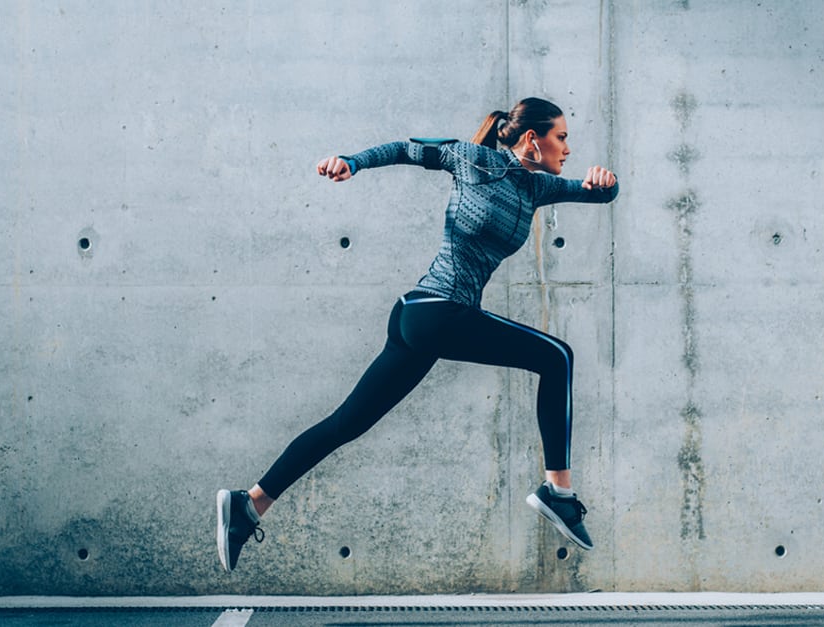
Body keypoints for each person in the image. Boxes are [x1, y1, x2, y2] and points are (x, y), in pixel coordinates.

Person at [217, 97, 619, 572]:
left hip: (425, 319)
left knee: (347, 423)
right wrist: (352, 162)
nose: (568, 148)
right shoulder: (473, 160)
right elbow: (409, 149)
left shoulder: (536, 189)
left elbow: (597, 193)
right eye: (563, 136)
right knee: (557, 356)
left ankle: (250, 504)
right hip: (435, 310)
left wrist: (606, 182)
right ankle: (559, 493)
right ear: (534, 138)